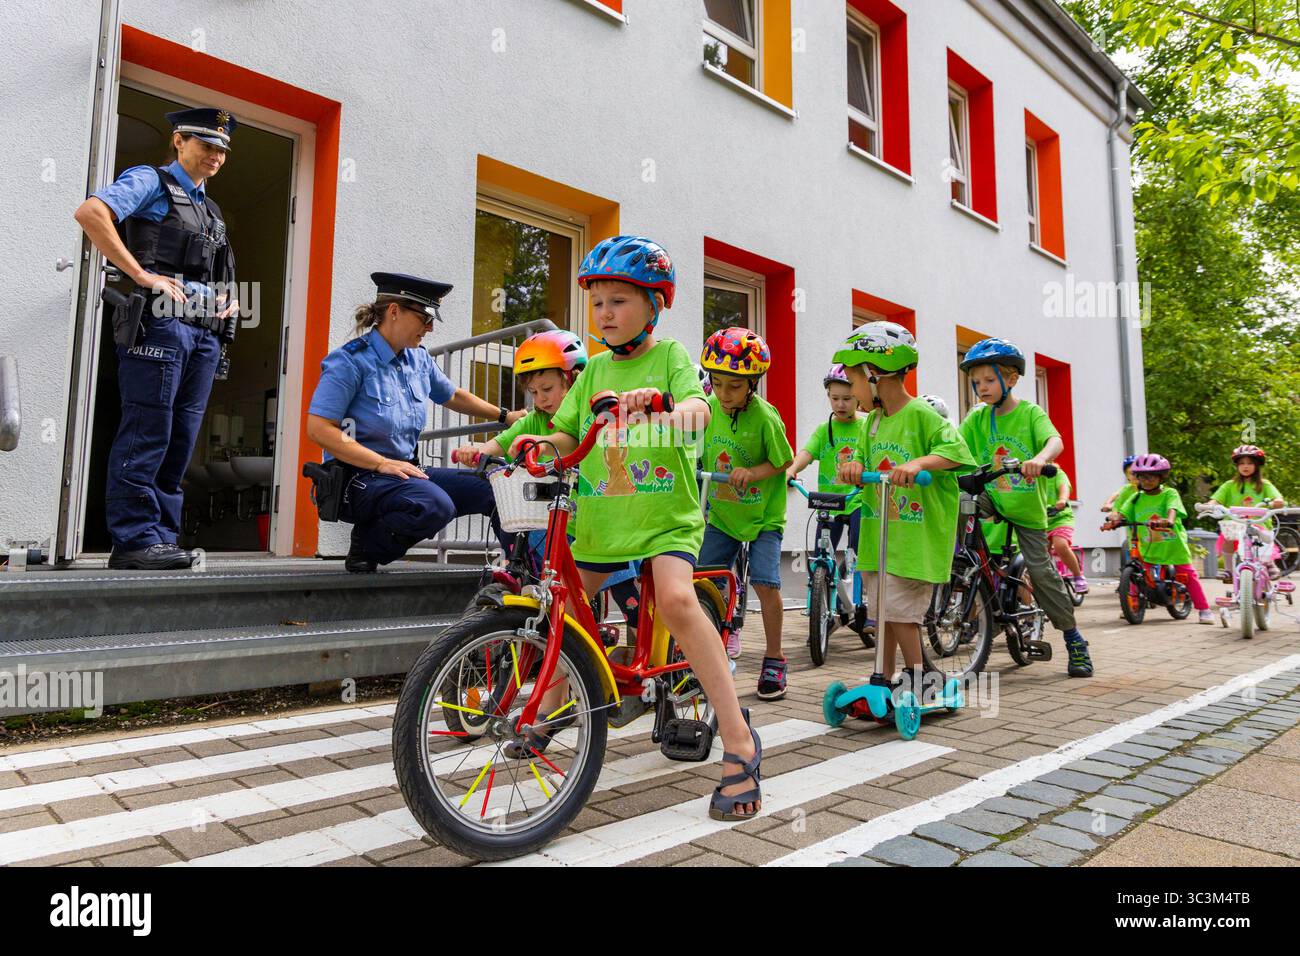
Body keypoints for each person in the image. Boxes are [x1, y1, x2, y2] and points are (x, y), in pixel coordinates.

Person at [508, 235, 762, 821]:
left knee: (675, 599)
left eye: (619, 301)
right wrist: (539, 441)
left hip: (662, 517)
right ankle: (548, 709)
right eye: (597, 303)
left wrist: (666, 405)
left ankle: (739, 739)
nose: (605, 314)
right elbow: (569, 433)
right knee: (563, 611)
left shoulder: (670, 357)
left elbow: (697, 412)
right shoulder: (593, 369)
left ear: (654, 304)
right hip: (600, 519)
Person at [74, 107, 241, 570]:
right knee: (149, 429)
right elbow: (91, 213)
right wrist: (142, 275)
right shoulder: (151, 181)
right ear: (178, 141)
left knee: (182, 438)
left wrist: (230, 301)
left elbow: (214, 272)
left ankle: (161, 538)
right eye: (206, 144)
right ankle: (132, 540)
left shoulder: (212, 211)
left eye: (222, 149)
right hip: (161, 325)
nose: (215, 155)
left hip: (203, 333)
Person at [305, 272, 523, 572]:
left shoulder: (417, 360)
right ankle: (366, 544)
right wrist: (380, 463)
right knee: (434, 504)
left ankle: (525, 576)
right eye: (425, 317)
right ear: (394, 311)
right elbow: (319, 428)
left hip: (404, 471)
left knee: (497, 487)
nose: (431, 327)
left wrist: (505, 416)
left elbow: (452, 395)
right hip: (358, 476)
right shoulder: (350, 361)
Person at [454, 329, 641, 633]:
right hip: (559, 522)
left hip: (600, 519)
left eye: (547, 389)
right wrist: (476, 451)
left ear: (575, 378)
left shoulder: (588, 414)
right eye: (534, 393)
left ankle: (641, 648)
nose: (540, 399)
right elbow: (500, 442)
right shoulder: (534, 419)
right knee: (559, 592)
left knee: (625, 593)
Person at [833, 322, 975, 695]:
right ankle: (882, 677)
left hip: (914, 538)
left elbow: (957, 452)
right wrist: (851, 469)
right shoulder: (873, 423)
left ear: (875, 374)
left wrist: (919, 464)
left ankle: (918, 676)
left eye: (854, 380)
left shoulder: (922, 415)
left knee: (899, 611)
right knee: (882, 610)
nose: (852, 390)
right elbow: (860, 461)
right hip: (880, 537)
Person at [957, 337, 1095, 677]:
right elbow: (956, 448)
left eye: (989, 380)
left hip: (1027, 508)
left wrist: (1039, 459)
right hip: (993, 496)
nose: (981, 387)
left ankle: (1074, 639)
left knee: (1042, 573)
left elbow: (1055, 440)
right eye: (976, 382)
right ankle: (966, 570)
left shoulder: (1030, 413)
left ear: (1011, 379)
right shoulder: (977, 419)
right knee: (959, 504)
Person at [696, 327, 794, 697]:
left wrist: (753, 473)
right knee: (702, 579)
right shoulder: (708, 408)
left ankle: (774, 658)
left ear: (751, 384)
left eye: (733, 386)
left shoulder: (765, 417)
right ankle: (709, 651)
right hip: (722, 514)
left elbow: (782, 461)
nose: (723, 393)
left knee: (766, 583)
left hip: (763, 516)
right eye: (717, 383)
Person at [786, 363, 871, 638]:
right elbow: (808, 452)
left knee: (857, 555)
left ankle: (863, 607)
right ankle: (821, 608)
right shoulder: (826, 429)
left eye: (847, 398)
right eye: (835, 398)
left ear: (858, 397)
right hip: (830, 502)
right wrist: (793, 469)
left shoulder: (866, 425)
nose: (841, 404)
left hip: (858, 499)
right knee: (821, 555)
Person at [1102, 454, 1214, 624]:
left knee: (1188, 574)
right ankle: (1132, 605)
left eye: (1151, 476)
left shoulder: (1170, 493)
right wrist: (1114, 519)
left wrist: (1168, 520)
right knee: (1136, 574)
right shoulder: (1136, 497)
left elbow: (1173, 509)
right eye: (1141, 476)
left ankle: (1204, 609)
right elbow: (1122, 513)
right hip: (1148, 545)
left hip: (1172, 544)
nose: (1146, 480)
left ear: (1161, 477)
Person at [1209, 445, 1286, 578]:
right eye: (1242, 463)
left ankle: (1270, 564)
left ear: (1257, 465)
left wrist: (1274, 502)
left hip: (1258, 523)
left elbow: (1279, 500)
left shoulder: (1264, 484)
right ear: (1237, 466)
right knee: (1228, 537)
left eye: (1250, 463)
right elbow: (1215, 500)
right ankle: (1228, 570)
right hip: (1235, 524)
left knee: (1260, 537)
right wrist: (1210, 506)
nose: (1245, 466)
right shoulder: (1229, 485)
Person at [1042, 467, 1088, 594]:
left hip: (1060, 517)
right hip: (1041, 520)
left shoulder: (1057, 473)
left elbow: (1064, 487)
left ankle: (1078, 577)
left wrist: (1062, 500)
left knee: (1060, 545)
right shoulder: (1031, 475)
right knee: (1039, 553)